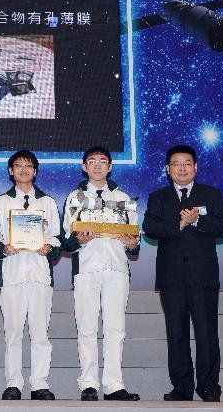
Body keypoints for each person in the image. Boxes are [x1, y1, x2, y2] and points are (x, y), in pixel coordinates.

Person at [142, 144, 223, 403]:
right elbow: (150, 228)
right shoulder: (158, 197)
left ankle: (208, 387)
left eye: (187, 163)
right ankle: (181, 387)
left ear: (195, 167)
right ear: (168, 170)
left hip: (203, 276)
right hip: (172, 277)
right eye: (176, 164)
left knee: (206, 333)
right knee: (177, 333)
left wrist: (198, 221)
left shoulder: (210, 194)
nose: (182, 168)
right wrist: (181, 223)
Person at [60, 146, 140, 401]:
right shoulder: (75, 197)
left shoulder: (124, 197)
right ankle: (88, 383)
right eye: (92, 161)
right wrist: (79, 241)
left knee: (115, 328)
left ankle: (114, 384)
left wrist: (132, 244)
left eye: (102, 161)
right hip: (86, 268)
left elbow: (134, 239)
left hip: (117, 269)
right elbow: (66, 239)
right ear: (84, 167)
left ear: (110, 166)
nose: (97, 166)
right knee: (86, 327)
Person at [0, 150, 60, 401]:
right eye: (19, 165)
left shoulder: (47, 202)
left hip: (39, 275)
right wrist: (3, 248)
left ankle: (39, 383)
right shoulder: (0, 203)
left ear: (35, 171)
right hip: (13, 274)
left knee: (40, 334)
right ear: (10, 171)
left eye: (29, 166)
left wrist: (49, 247)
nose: (24, 169)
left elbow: (57, 237)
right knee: (13, 333)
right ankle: (13, 383)